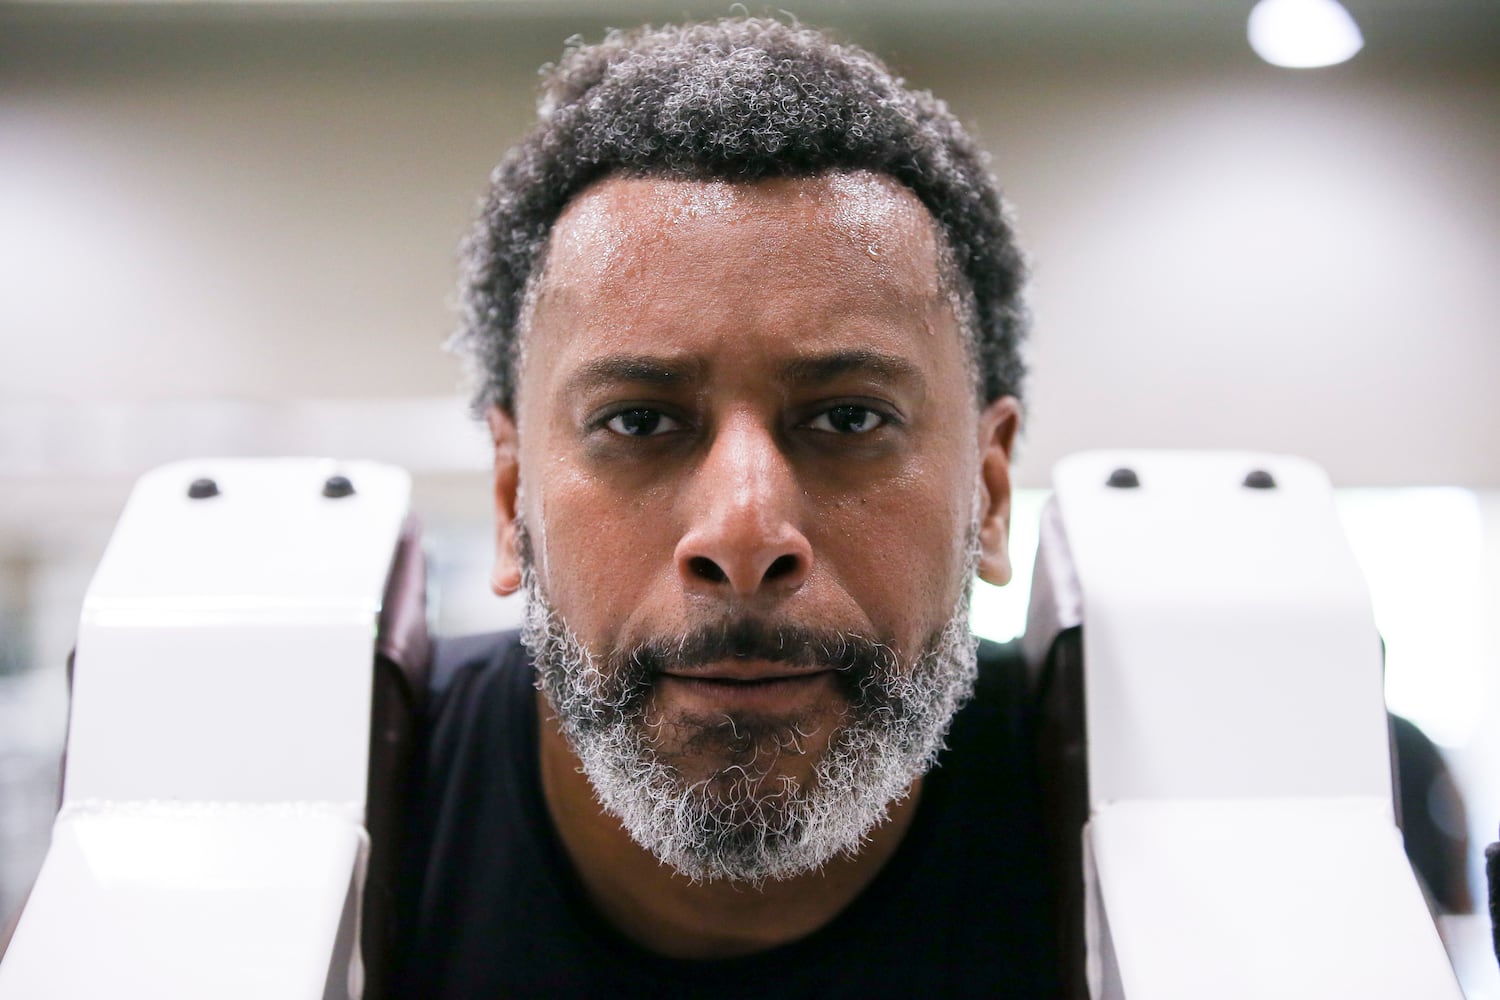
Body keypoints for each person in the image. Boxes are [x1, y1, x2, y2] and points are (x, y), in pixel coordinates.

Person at [395, 17, 1059, 997]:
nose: (745, 534)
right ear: (512, 499)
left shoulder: (1321, 803)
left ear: (989, 494)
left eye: (847, 416)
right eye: (636, 422)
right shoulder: (325, 800)